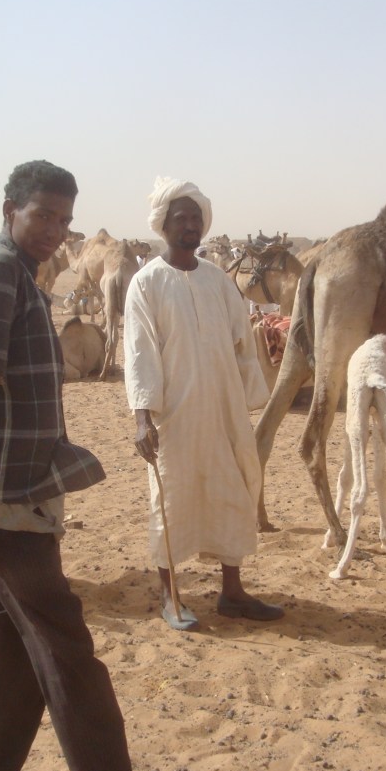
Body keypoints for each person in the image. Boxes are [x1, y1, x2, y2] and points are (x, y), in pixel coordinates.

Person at [0, 160, 190, 771]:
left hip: (21, 490)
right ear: (10, 207)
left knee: (10, 647)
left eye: (64, 221)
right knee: (69, 659)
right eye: (42, 215)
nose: (54, 231)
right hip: (1, 502)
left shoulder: (19, 274)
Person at [123, 177, 283, 632]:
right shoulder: (146, 284)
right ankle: (170, 595)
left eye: (196, 218)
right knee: (172, 497)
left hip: (222, 408)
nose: (190, 225)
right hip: (173, 414)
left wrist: (246, 396)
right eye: (181, 218)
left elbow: (243, 342)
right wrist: (142, 416)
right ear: (163, 225)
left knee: (231, 490)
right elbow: (139, 353)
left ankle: (232, 591)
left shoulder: (217, 280)